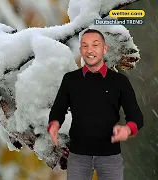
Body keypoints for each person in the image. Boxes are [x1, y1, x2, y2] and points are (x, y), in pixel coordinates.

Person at [47, 29, 144, 180]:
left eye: (95, 45)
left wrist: (128, 129)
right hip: (78, 156)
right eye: (85, 46)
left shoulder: (119, 82)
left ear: (104, 49)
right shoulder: (71, 80)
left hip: (110, 156)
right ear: (80, 50)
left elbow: (136, 117)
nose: (89, 50)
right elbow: (58, 109)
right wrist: (54, 124)